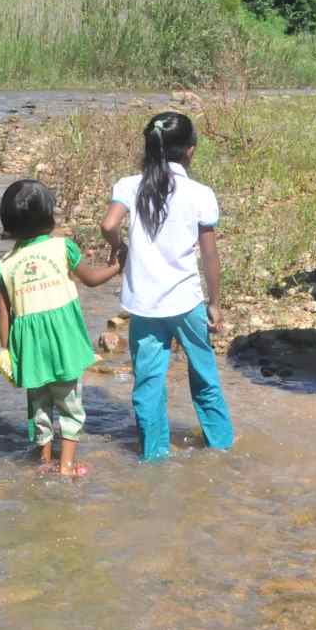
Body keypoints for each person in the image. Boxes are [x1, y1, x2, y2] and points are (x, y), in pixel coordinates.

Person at [100, 112, 235, 461]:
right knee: (204, 375)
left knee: (148, 383)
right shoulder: (199, 193)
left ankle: (154, 456)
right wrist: (215, 302)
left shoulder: (129, 185)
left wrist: (119, 248)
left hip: (144, 304)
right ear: (189, 151)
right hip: (186, 301)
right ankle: (221, 448)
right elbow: (209, 255)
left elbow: (108, 223)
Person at [0, 179, 120, 477]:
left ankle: (43, 462)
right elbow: (90, 279)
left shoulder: (5, 263)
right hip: (63, 342)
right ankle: (65, 466)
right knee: (70, 404)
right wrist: (117, 267)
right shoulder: (62, 247)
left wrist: (6, 351)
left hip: (30, 348)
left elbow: (3, 309)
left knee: (38, 407)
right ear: (50, 217)